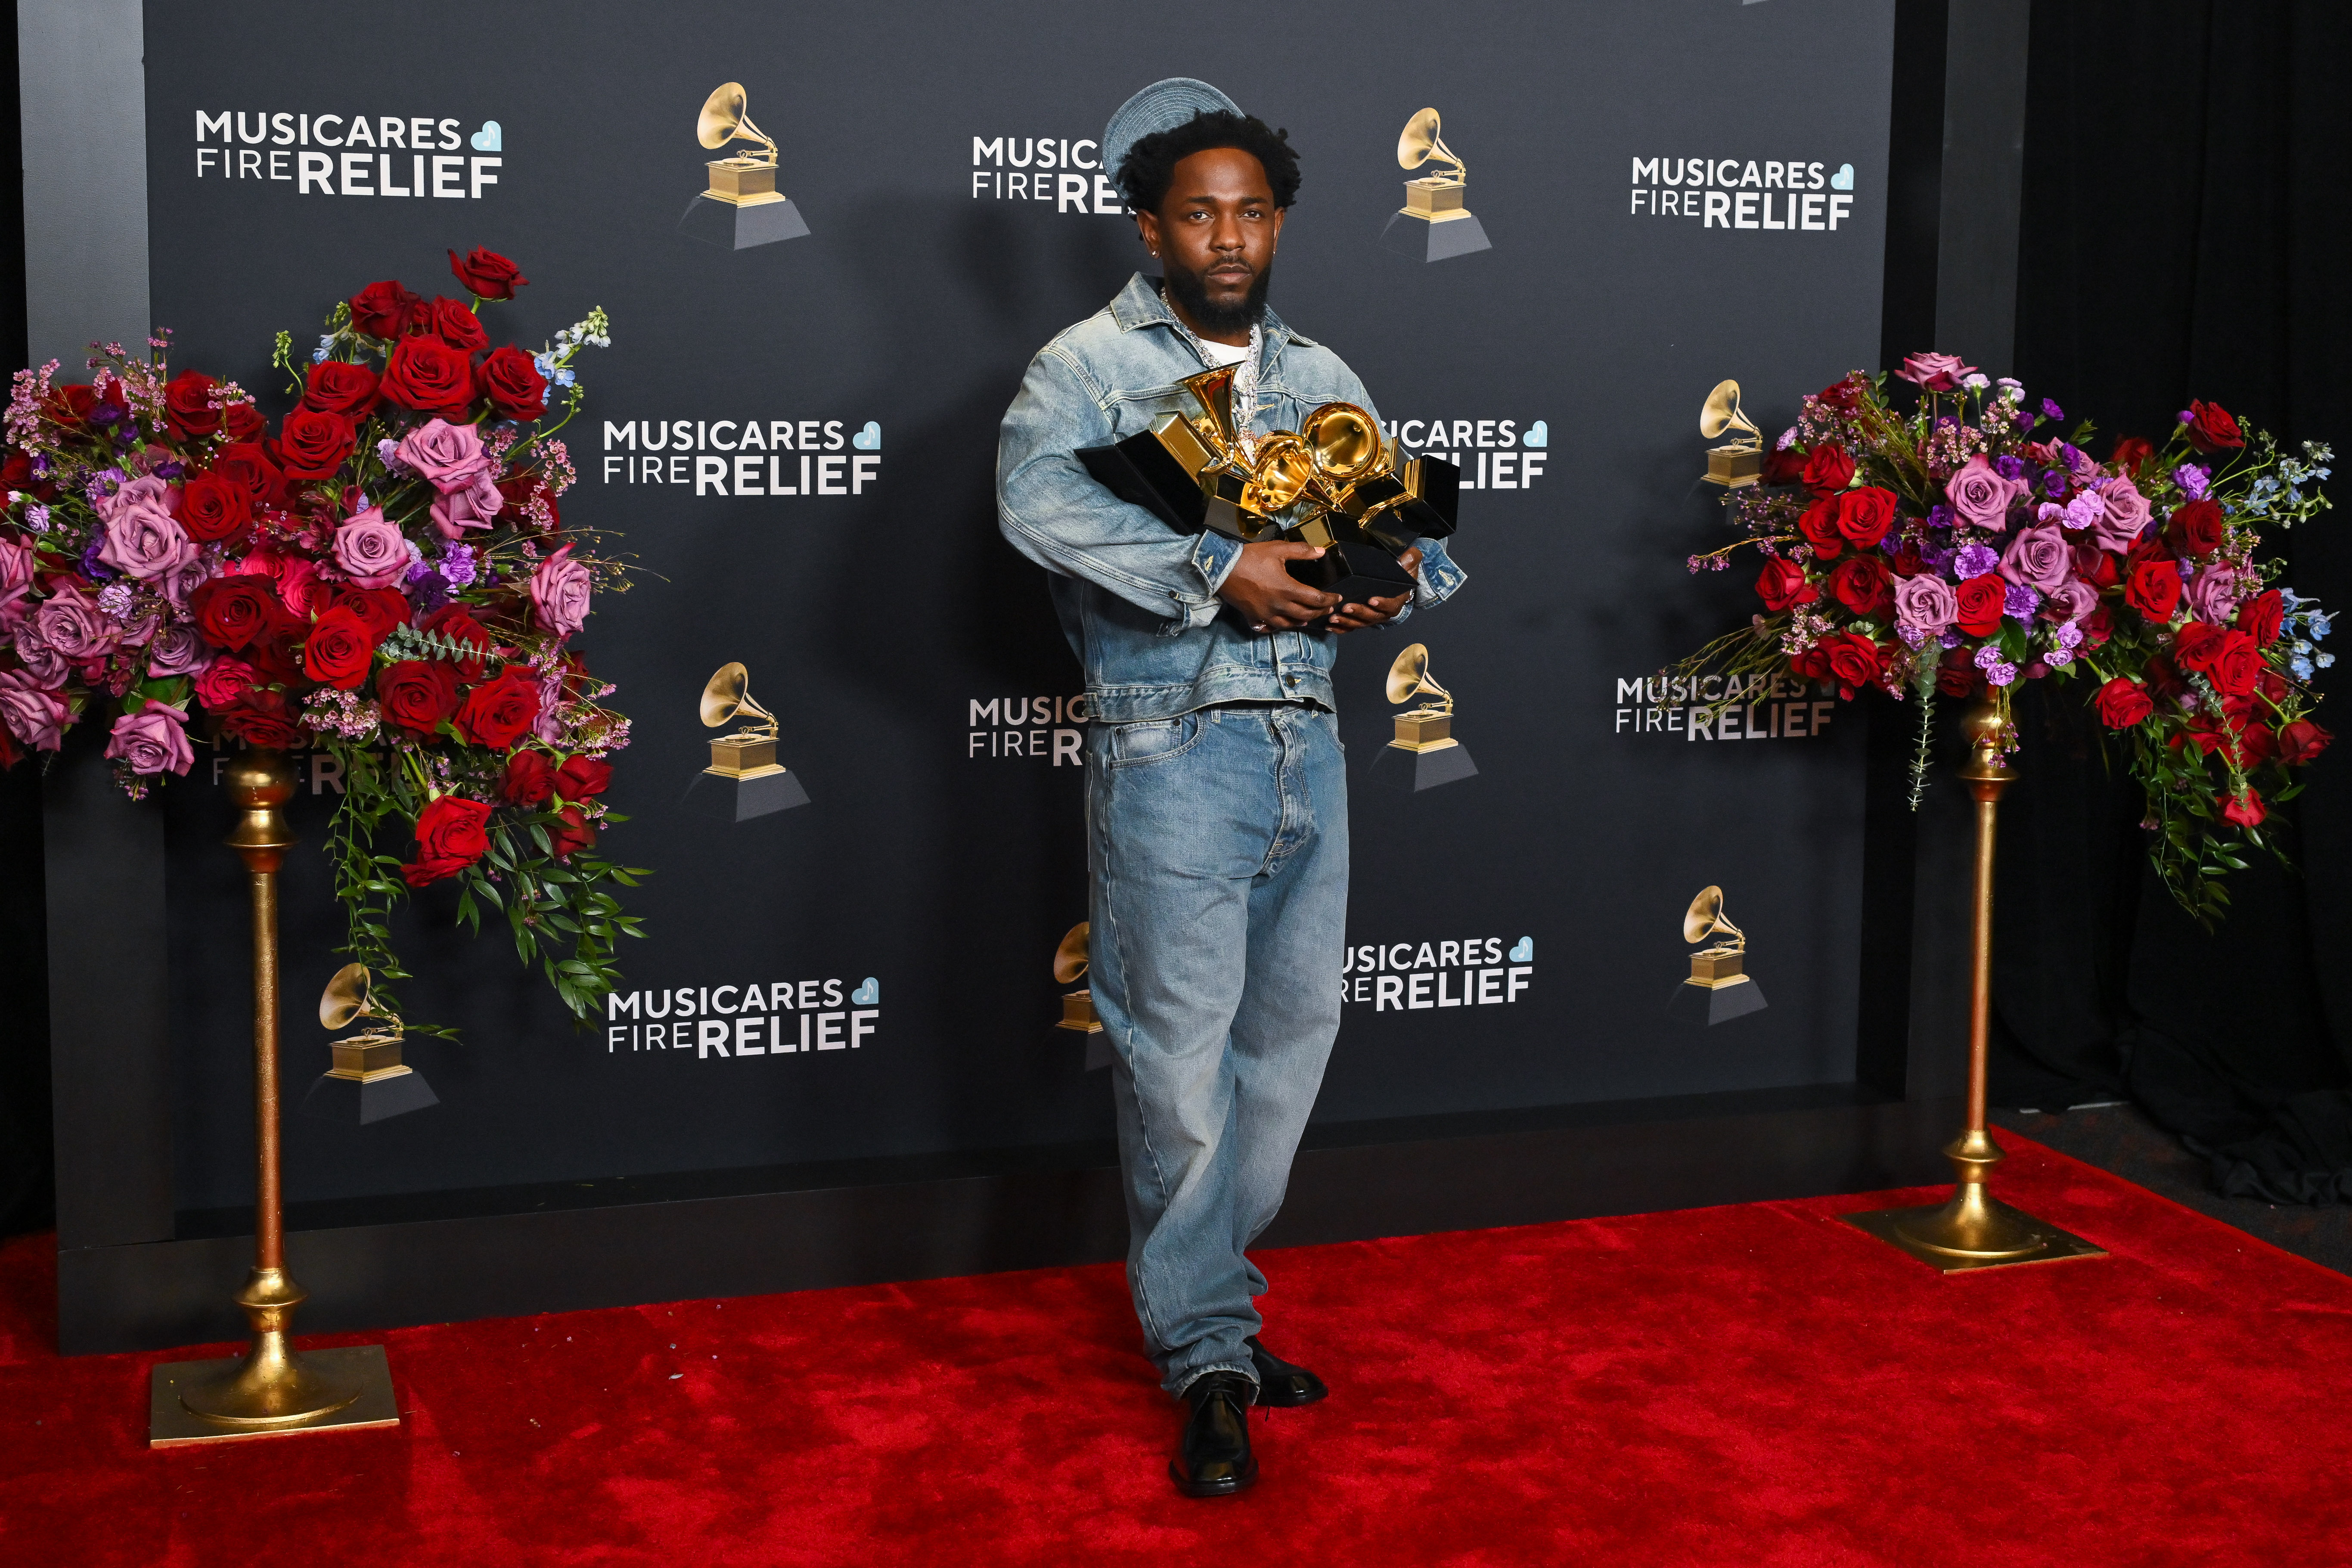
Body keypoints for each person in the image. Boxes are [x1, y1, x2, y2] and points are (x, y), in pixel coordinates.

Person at [995, 78, 1465, 1497]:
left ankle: (1208, 1299)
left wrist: (1389, 582)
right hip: (1169, 747)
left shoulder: (1324, 374)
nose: (1227, 235)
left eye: (1250, 210)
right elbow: (1035, 500)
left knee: (1290, 1047)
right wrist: (1218, 568)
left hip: (1307, 743)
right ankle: (1207, 1350)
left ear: (1278, 224)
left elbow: (1398, 529)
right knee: (1179, 1066)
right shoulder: (1085, 364)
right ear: (1150, 228)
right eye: (1198, 213)